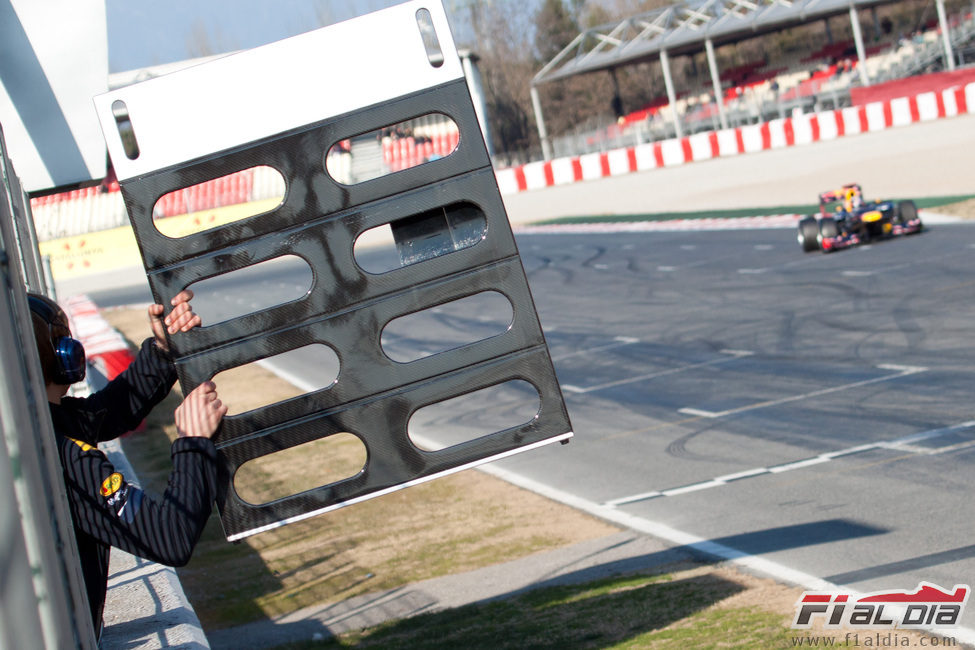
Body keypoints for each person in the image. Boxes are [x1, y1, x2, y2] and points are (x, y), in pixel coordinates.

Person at [27, 290, 227, 639]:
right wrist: (193, 443)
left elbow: (108, 411)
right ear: (62, 355)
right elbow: (170, 538)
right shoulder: (62, 454)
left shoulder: (35, 427)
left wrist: (163, 352)